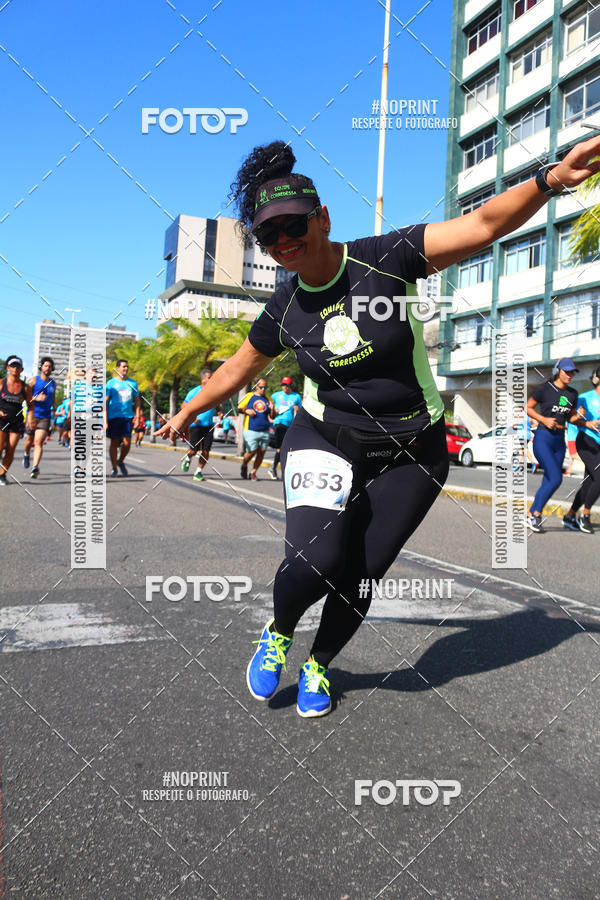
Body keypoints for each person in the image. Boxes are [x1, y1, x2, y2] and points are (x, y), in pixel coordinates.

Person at [157, 136, 600, 717]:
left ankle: (319, 663)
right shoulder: (284, 309)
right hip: (325, 439)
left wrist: (550, 181)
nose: (284, 242)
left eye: (294, 225)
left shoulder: (386, 257)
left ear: (323, 217)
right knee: (315, 560)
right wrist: (190, 408)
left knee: (361, 573)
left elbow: (484, 224)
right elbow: (239, 367)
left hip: (413, 451)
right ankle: (280, 632)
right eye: (269, 235)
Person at [526, 358, 589, 533]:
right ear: (558, 371)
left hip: (559, 440)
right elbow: (529, 407)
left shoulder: (572, 394)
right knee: (556, 478)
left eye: (572, 372)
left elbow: (570, 418)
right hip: (543, 438)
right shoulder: (545, 389)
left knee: (549, 479)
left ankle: (531, 513)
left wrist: (579, 416)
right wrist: (544, 419)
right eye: (566, 371)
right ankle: (535, 514)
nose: (569, 375)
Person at [563, 365, 600, 533]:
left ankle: (570, 515)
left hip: (598, 444)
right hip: (585, 440)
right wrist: (572, 448)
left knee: (590, 481)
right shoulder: (585, 398)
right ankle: (585, 515)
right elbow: (572, 422)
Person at [180, 369, 220, 482]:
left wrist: (220, 412)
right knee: (193, 450)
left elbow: (218, 404)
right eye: (209, 377)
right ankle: (188, 457)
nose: (211, 380)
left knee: (206, 451)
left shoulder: (214, 391)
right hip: (196, 425)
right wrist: (193, 417)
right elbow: (183, 406)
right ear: (203, 379)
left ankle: (198, 472)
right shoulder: (194, 392)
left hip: (209, 426)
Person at [105, 359, 141, 477]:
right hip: (113, 417)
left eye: (127, 367)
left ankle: (121, 461)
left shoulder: (133, 383)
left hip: (127, 417)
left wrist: (138, 417)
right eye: (123, 367)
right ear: (117, 368)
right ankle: (114, 467)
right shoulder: (110, 383)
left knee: (127, 443)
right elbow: (105, 403)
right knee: (114, 442)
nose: (125, 369)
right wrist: (104, 420)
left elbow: (137, 402)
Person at [0, 356, 33, 486]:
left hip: (16, 421)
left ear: (22, 369)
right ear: (8, 368)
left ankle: (2, 474)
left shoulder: (25, 388)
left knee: (11, 449)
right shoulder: (1, 383)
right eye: (12, 366)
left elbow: (31, 406)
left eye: (18, 366)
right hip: (1, 420)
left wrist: (30, 418)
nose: (15, 368)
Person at [23, 356, 57, 478]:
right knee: (28, 440)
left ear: (52, 368)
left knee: (38, 442)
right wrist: (36, 398)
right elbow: (25, 397)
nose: (48, 368)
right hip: (32, 415)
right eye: (46, 365)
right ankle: (26, 454)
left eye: (50, 366)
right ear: (41, 367)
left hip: (45, 416)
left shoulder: (53, 383)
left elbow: (53, 400)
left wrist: (54, 414)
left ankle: (35, 467)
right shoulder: (33, 381)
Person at [238, 378, 274, 480]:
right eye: (261, 387)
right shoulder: (250, 396)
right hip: (250, 429)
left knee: (261, 452)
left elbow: (273, 416)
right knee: (252, 451)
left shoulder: (268, 398)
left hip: (265, 430)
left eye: (265, 387)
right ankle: (244, 464)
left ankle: (253, 472)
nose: (263, 389)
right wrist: (246, 411)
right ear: (256, 386)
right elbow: (239, 408)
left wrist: (272, 409)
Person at [268, 376, 302, 480]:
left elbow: (300, 411)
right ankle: (279, 471)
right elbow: (269, 408)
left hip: (290, 425)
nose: (284, 387)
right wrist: (272, 413)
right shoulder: (275, 395)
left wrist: (298, 408)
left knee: (286, 449)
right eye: (283, 385)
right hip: (279, 423)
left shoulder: (296, 397)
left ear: (290, 385)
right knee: (281, 448)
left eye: (286, 385)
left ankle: (274, 468)